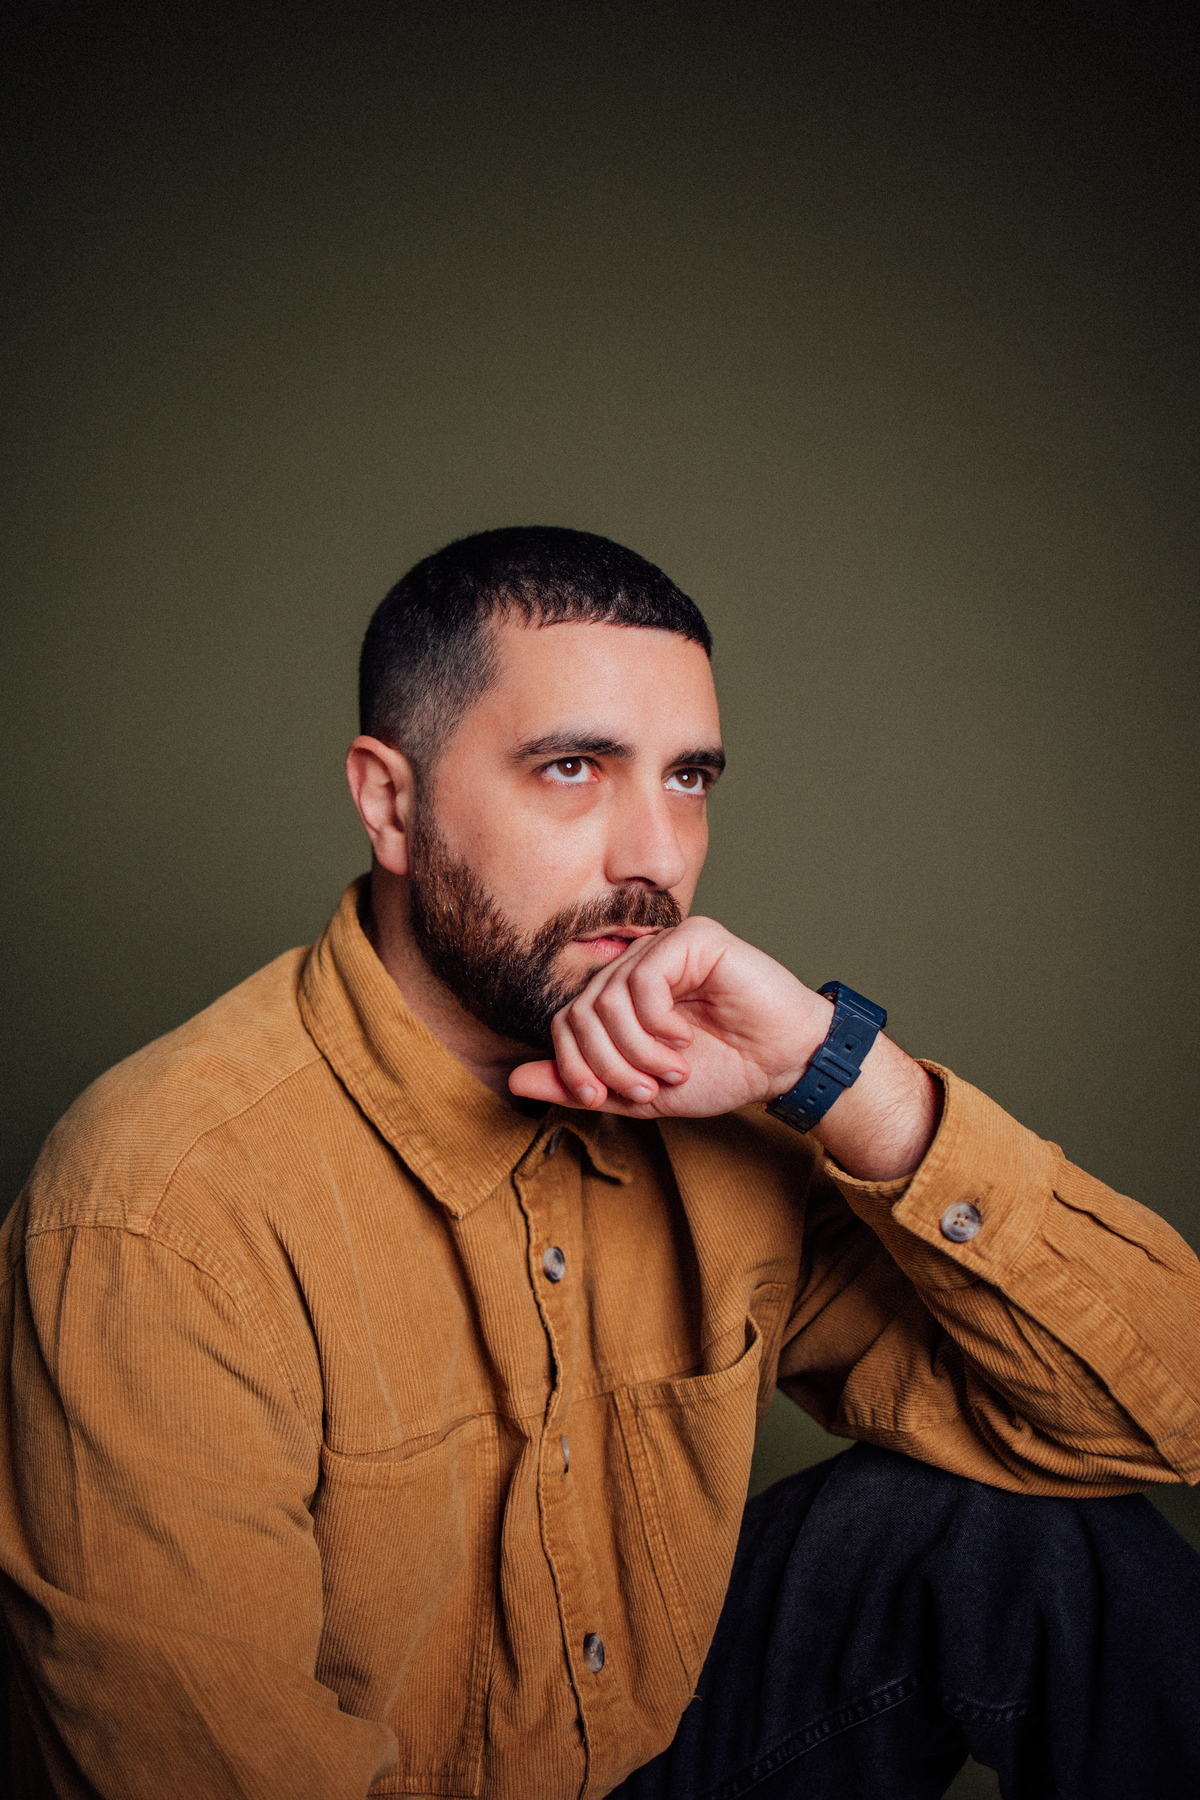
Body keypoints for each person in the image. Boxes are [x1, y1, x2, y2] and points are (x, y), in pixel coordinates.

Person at [2, 526, 1198, 1800]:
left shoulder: (719, 1110)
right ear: (390, 801)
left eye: (689, 779)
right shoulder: (160, 1213)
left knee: (1018, 1537)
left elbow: (1155, 1415)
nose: (657, 859)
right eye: (572, 768)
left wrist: (846, 1078)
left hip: (657, 1761)